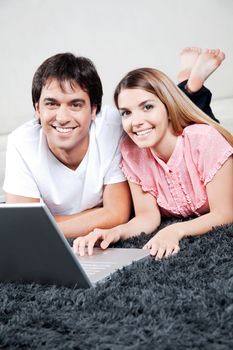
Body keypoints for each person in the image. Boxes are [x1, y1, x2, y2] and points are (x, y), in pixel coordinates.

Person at [3, 49, 223, 239]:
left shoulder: (112, 125)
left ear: (94, 111)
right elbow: (24, 224)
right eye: (51, 104)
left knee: (187, 128)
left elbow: (117, 213)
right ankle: (185, 81)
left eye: (76, 104)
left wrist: (44, 227)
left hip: (188, 131)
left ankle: (188, 86)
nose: (62, 117)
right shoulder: (21, 142)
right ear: (37, 109)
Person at [73, 48, 233, 259]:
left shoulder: (204, 140)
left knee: (201, 120)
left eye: (147, 107)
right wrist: (115, 232)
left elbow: (224, 214)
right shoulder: (131, 153)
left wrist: (174, 230)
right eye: (126, 113)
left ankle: (189, 81)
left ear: (167, 107)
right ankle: (186, 77)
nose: (136, 121)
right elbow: (147, 216)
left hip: (197, 138)